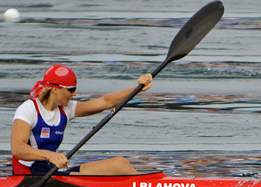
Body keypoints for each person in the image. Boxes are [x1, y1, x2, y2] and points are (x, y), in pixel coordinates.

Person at [10, 64, 153, 176]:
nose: (74, 93)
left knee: (120, 164)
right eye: (71, 90)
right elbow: (18, 149)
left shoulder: (66, 108)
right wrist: (50, 156)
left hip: (51, 172)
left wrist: (138, 88)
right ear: (55, 89)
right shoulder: (28, 109)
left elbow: (106, 102)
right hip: (29, 176)